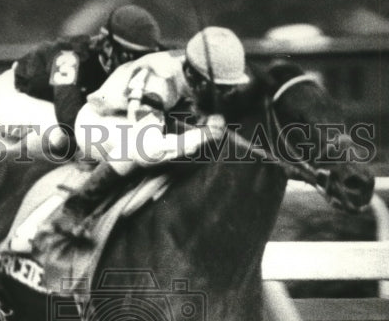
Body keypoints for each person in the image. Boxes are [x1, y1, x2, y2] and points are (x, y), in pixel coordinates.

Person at [0, 5, 163, 214]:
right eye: (130, 56)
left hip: (53, 103)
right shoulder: (71, 57)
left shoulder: (131, 62)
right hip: (12, 93)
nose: (135, 65)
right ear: (108, 46)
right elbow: (69, 117)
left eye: (143, 57)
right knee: (60, 135)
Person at [51, 26, 249, 239]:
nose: (228, 93)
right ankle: (76, 207)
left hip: (153, 116)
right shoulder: (157, 82)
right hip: (100, 122)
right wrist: (203, 135)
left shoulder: (197, 68)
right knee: (136, 150)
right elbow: (147, 152)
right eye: (221, 87)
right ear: (196, 77)